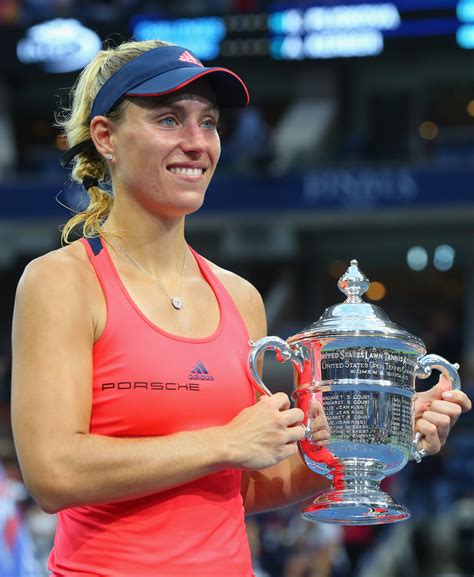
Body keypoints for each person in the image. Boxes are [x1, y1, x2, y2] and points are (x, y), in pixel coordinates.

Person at [10, 39, 471, 576]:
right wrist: (225, 441)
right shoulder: (61, 281)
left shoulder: (239, 296)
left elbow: (244, 484)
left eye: (208, 122)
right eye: (168, 120)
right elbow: (53, 474)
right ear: (106, 137)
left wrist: (376, 435)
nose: (196, 142)